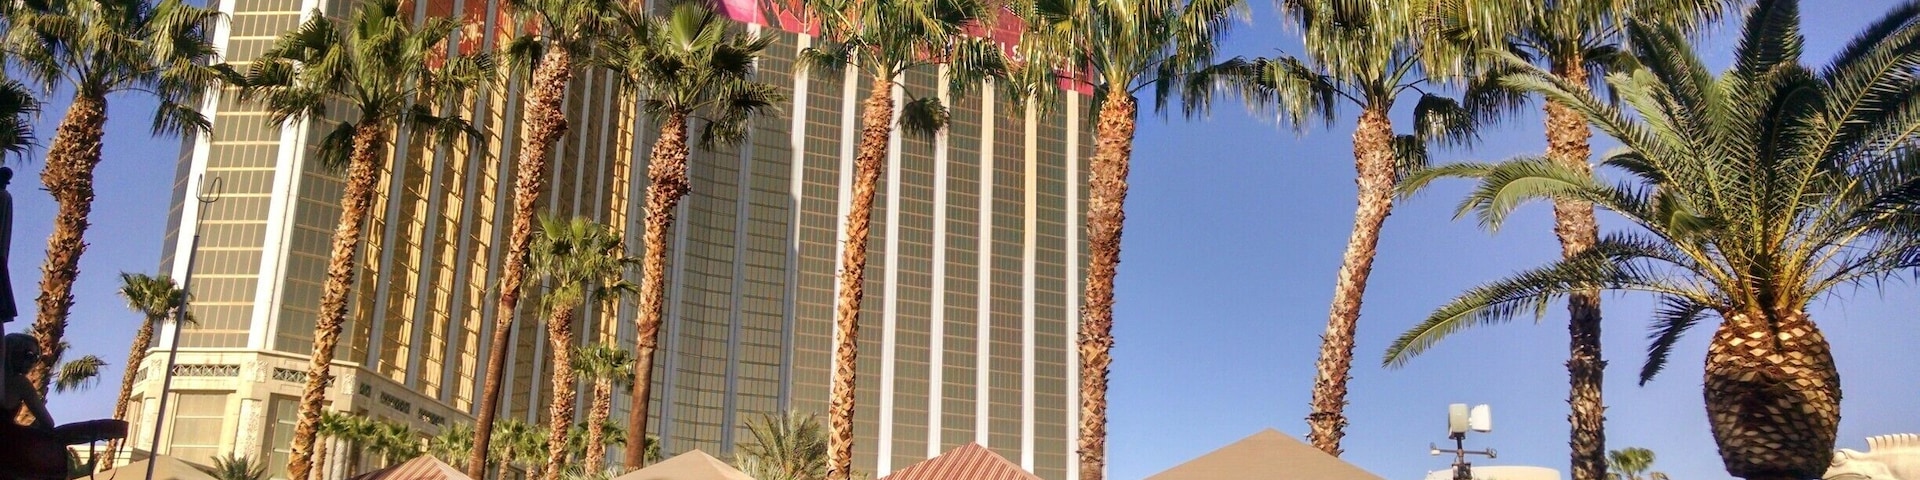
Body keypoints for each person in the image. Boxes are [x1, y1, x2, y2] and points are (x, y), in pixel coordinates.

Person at [2, 332, 52, 431]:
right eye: (29, 355)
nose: (33, 361)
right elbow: (48, 423)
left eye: (36, 357)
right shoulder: (20, 383)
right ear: (12, 352)